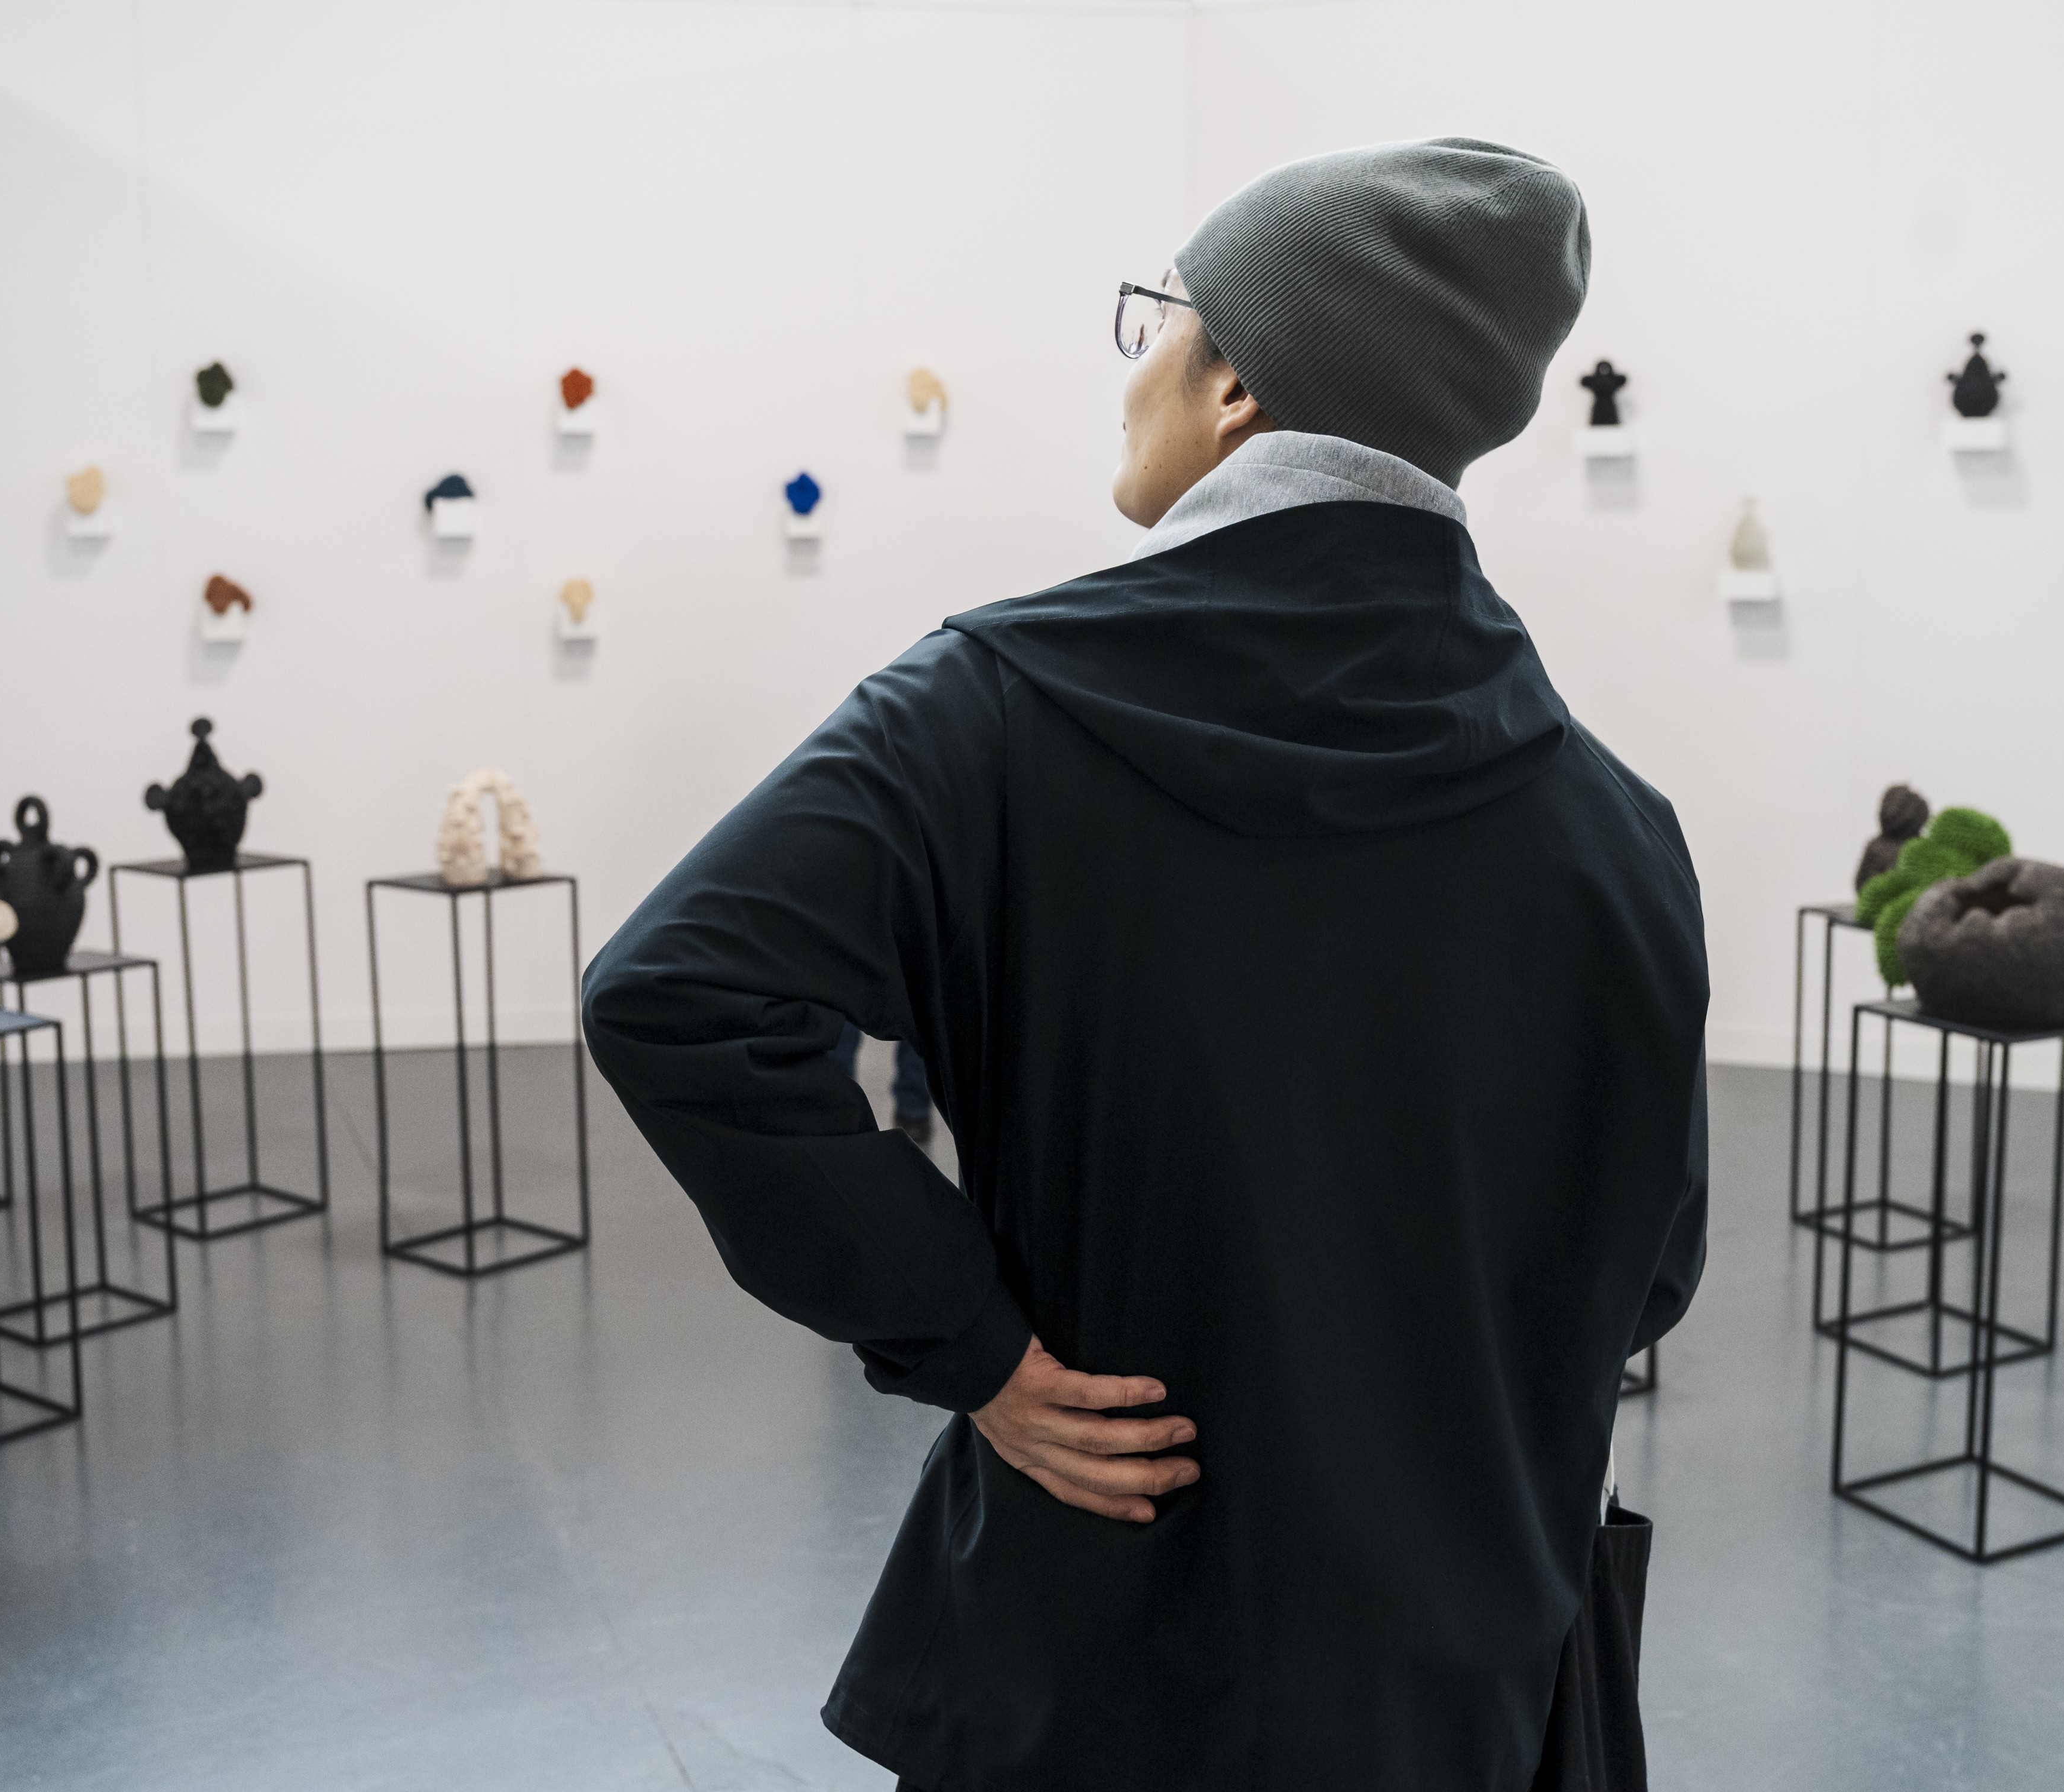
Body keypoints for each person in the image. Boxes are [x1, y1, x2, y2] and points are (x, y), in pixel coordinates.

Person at [583, 137, 1708, 1792]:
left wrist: (968, 1342)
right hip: (1460, 1685)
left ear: (1237, 382)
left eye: (1157, 318)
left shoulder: (985, 712)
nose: (1132, 373)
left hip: (1100, 1647)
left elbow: (677, 991)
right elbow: (1649, 1271)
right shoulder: (1616, 829)